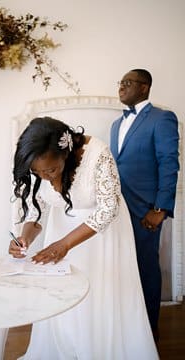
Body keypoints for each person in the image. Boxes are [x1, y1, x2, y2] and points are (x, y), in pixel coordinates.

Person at [10, 117, 157, 359]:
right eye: (37, 172)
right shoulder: (38, 163)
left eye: (51, 170)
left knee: (98, 299)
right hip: (60, 233)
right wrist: (24, 238)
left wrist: (65, 244)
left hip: (100, 235)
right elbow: (38, 209)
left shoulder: (97, 153)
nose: (44, 177)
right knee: (63, 299)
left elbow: (109, 207)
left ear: (65, 152)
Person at [110, 68, 180, 338]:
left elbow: (169, 164)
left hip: (146, 211)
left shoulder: (163, 118)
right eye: (120, 82)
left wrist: (159, 209)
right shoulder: (116, 124)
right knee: (121, 267)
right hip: (117, 209)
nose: (121, 87)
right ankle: (128, 323)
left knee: (145, 266)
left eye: (127, 83)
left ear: (144, 87)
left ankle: (149, 330)